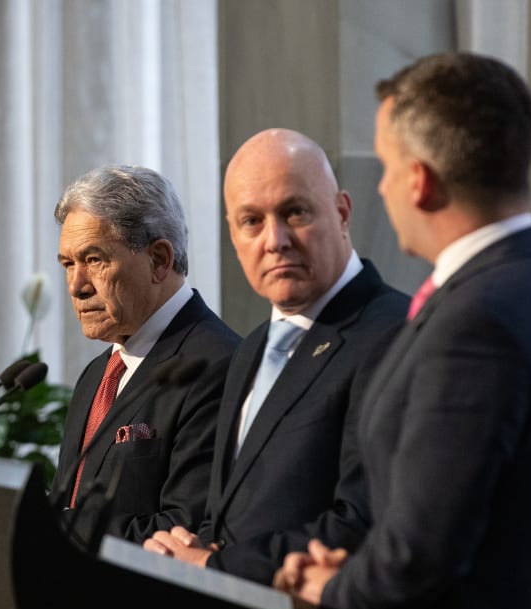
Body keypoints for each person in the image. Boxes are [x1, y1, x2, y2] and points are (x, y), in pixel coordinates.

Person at [273, 52, 531, 609]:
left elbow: (421, 554)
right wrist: (357, 570)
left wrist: (329, 589)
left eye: (385, 166)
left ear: (420, 179)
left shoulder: (476, 323)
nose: (380, 186)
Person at [143, 128, 408, 584]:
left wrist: (214, 565)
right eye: (252, 221)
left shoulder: (395, 333)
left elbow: (363, 521)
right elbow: (228, 514)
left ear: (342, 213)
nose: (275, 240)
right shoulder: (250, 349)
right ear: (232, 233)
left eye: (295, 212)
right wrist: (190, 548)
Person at [50, 164, 240, 547]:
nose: (76, 286)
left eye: (94, 260)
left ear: (159, 260)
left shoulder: (217, 365)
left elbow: (184, 530)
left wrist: (57, 530)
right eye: (69, 264)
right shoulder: (96, 375)